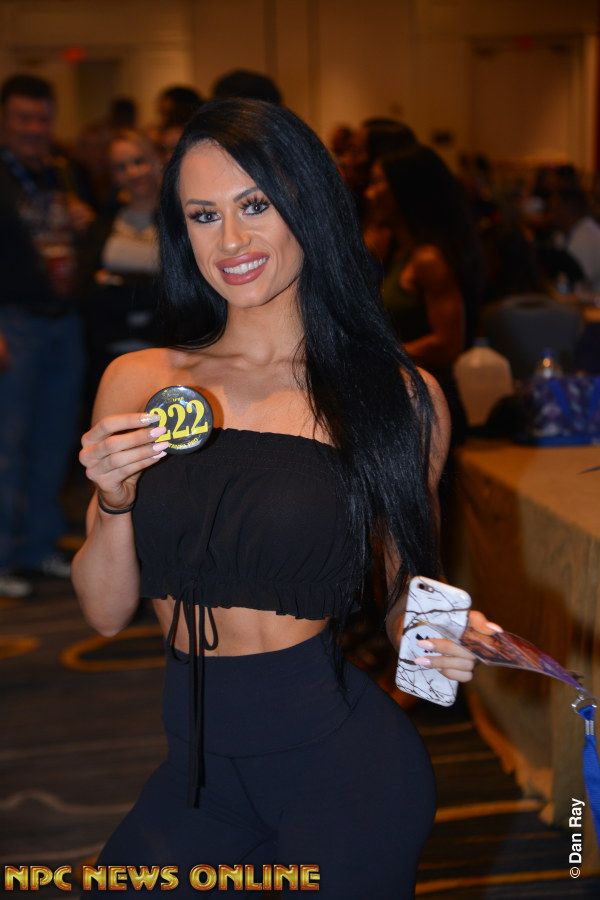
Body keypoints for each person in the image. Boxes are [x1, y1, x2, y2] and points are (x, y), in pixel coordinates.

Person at [71, 98, 499, 898]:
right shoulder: (138, 381)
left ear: (310, 205)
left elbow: (410, 596)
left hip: (342, 774)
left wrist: (448, 639)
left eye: (256, 205)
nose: (231, 241)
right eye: (204, 215)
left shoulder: (396, 397)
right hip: (196, 775)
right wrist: (115, 497)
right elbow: (102, 612)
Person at [0, 74, 92, 598]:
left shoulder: (63, 172)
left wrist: (85, 220)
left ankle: (38, 546)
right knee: (7, 445)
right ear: (4, 121)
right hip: (12, 322)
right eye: (24, 118)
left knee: (55, 442)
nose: (35, 128)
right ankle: (4, 555)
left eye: (42, 118)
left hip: (64, 320)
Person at [366, 144, 482, 444]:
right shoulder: (397, 252)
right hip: (403, 400)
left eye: (378, 182)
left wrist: (377, 355)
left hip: (427, 407)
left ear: (404, 190)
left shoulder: (429, 260)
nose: (369, 193)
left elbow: (448, 344)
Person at [78, 128, 162, 408]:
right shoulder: (103, 222)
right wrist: (146, 286)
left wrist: (116, 283)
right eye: (121, 167)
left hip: (164, 352)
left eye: (139, 161)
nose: (132, 172)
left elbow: (179, 291)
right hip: (109, 355)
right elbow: (86, 290)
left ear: (155, 162)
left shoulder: (179, 220)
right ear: (113, 176)